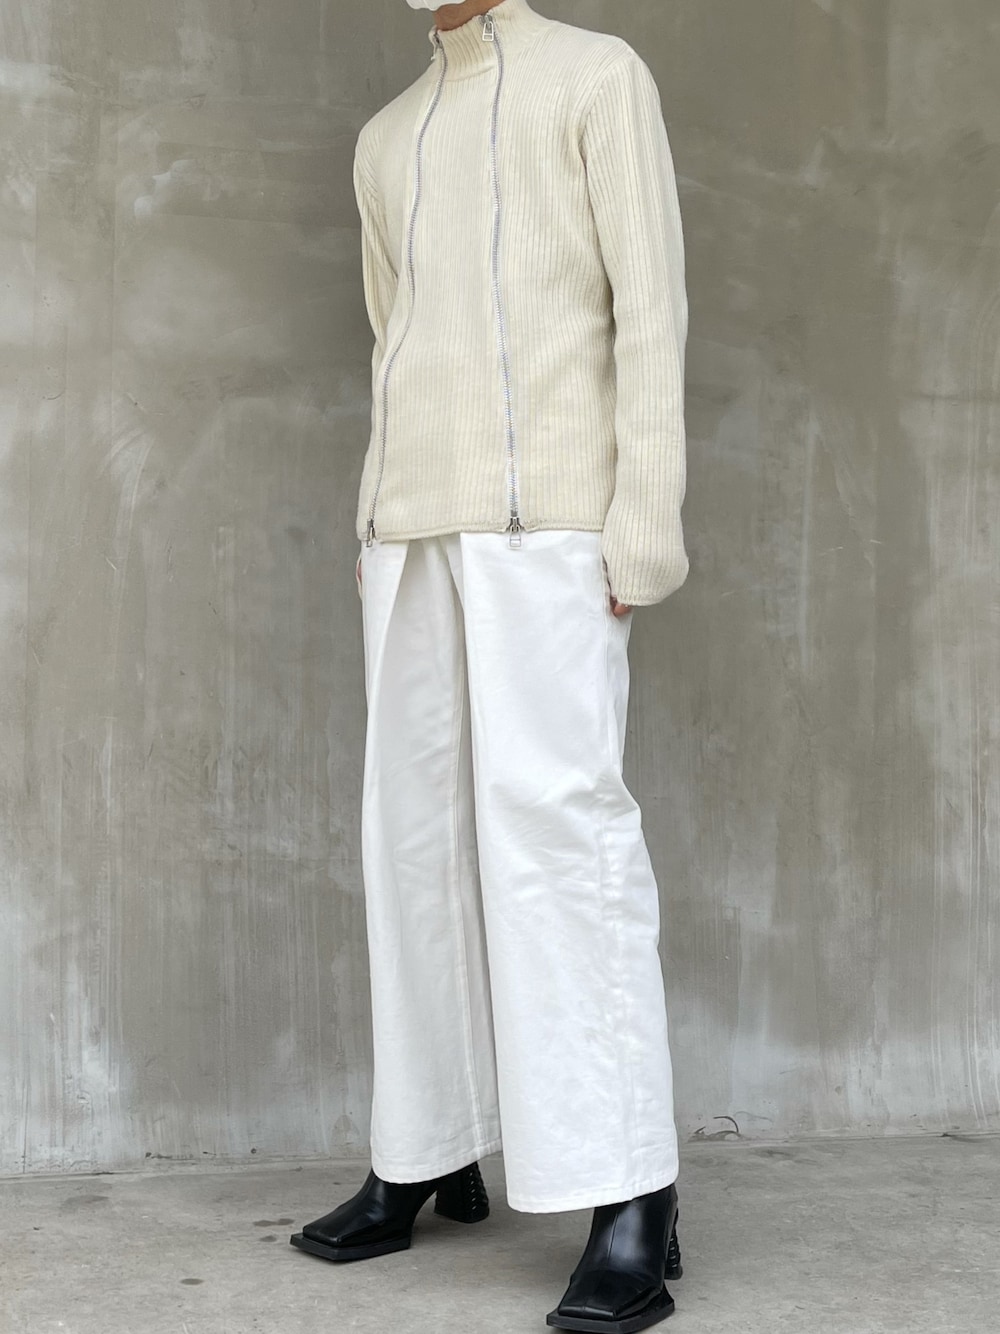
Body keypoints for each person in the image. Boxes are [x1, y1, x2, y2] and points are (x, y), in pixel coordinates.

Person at [290, 0, 690, 1328]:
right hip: (409, 531)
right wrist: (372, 518)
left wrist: (646, 515)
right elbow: (391, 344)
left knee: (560, 836)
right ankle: (428, 1146)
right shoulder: (386, 134)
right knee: (409, 840)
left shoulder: (594, 77)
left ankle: (632, 1191)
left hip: (553, 524)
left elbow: (651, 302)